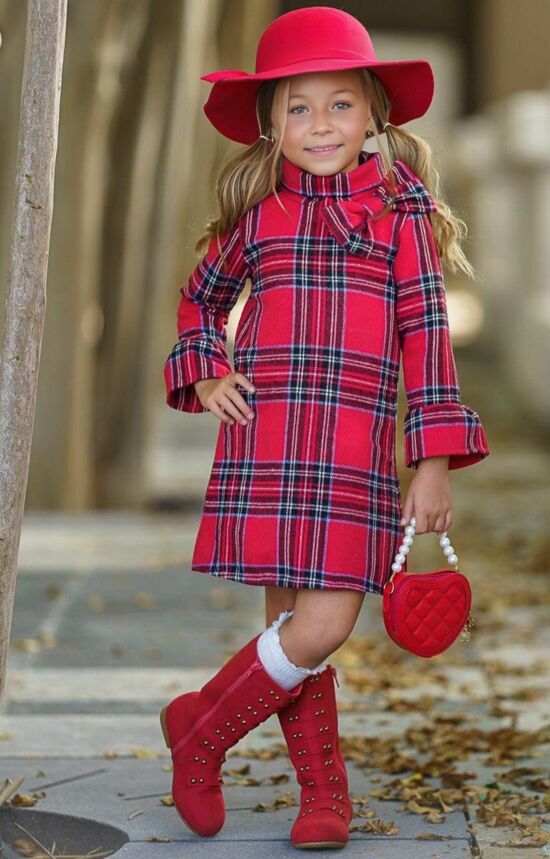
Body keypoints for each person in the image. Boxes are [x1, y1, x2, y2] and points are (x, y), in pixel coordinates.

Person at [160, 5, 490, 850]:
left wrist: (433, 461)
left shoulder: (402, 214)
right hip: (267, 442)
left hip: (351, 454)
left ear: (373, 112)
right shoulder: (258, 213)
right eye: (299, 107)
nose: (320, 124)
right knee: (292, 638)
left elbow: (428, 337)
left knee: (322, 625)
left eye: (340, 104)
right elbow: (200, 301)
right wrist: (208, 369)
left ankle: (201, 733)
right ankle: (322, 795)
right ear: (271, 122)